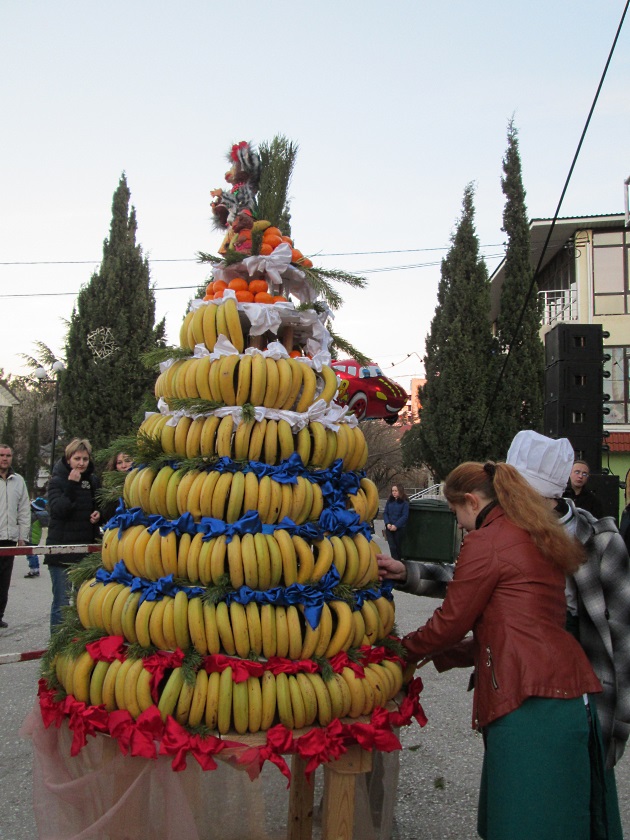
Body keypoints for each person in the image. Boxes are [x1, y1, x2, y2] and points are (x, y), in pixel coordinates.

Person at [387, 459, 603, 839]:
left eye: (456, 512)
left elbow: (451, 621)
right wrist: (443, 655)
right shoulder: (533, 531)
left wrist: (401, 651)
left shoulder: (487, 541)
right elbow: (515, 628)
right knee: (557, 822)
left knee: (521, 822)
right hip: (563, 696)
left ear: (471, 501)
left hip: (527, 702)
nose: (457, 523)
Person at [45, 438, 101, 633]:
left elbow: (99, 507)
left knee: (82, 603)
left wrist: (98, 515)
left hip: (84, 552)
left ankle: (77, 644)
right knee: (61, 602)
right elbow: (59, 510)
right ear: (69, 459)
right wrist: (71, 485)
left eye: (85, 458)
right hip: (61, 553)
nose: (81, 463)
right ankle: (57, 646)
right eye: (77, 458)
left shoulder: (93, 481)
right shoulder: (57, 481)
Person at [0, 444, 31, 628]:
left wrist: (23, 536)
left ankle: (0, 614)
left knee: (4, 581)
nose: (5, 458)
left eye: (8, 455)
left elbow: (24, 510)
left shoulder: (18, 481)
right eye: (2, 455)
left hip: (9, 539)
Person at [99, 451, 133, 524]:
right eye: (119, 463)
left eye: (127, 461)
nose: (124, 466)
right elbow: (106, 514)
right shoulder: (110, 486)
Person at [382, 483, 409, 561]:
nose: (394, 492)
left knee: (398, 547)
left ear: (400, 491)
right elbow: (385, 513)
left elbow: (405, 516)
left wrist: (396, 525)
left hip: (399, 529)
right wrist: (387, 523)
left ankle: (398, 562)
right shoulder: (389, 501)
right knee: (392, 547)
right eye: (393, 491)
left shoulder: (404, 502)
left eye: (396, 491)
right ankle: (395, 562)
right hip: (389, 528)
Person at [25, 497, 49, 578]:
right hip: (36, 537)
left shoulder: (34, 516)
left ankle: (34, 569)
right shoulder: (41, 516)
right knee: (33, 553)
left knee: (30, 554)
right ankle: (36, 568)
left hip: (30, 537)